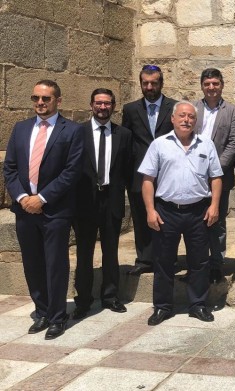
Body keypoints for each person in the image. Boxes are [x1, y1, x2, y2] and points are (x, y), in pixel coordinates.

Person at [3, 80, 84, 339]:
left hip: (55, 211)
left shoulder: (71, 131)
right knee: (32, 264)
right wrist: (24, 197)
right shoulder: (21, 128)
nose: (40, 103)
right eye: (36, 98)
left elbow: (72, 172)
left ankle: (58, 317)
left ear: (58, 101)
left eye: (46, 98)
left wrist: (43, 198)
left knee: (55, 264)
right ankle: (42, 311)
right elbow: (10, 169)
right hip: (25, 209)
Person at [138, 101, 223, 325]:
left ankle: (198, 305)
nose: (186, 120)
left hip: (198, 211)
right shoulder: (159, 145)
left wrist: (214, 205)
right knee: (164, 261)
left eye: (191, 117)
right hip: (167, 211)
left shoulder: (206, 144)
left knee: (199, 261)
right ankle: (163, 307)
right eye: (182, 116)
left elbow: (216, 177)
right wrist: (150, 211)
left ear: (196, 121)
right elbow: (148, 180)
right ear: (173, 119)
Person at [71, 88, 132, 320]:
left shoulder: (123, 134)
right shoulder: (78, 132)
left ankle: (110, 296)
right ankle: (83, 301)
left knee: (111, 251)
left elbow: (127, 168)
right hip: (85, 202)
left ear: (114, 106)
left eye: (107, 103)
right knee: (84, 253)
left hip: (111, 199)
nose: (103, 107)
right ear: (91, 105)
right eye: (98, 103)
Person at [122, 65, 177, 275]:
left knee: (166, 217)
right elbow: (126, 140)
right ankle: (145, 260)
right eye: (145, 83)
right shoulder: (131, 109)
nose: (149, 87)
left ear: (161, 83)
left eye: (154, 82)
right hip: (139, 173)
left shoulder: (173, 107)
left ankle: (167, 258)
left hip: (167, 173)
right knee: (141, 216)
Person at [193, 68, 235, 283]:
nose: (211, 88)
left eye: (215, 83)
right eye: (207, 84)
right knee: (195, 221)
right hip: (193, 175)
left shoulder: (232, 112)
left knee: (217, 220)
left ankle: (216, 264)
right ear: (202, 86)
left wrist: (215, 167)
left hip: (219, 176)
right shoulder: (192, 109)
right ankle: (198, 265)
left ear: (222, 85)